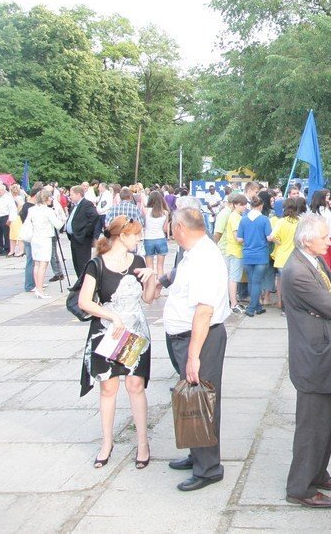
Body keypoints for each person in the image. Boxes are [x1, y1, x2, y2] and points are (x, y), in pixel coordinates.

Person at [282, 213, 331, 508]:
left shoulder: (315, 261)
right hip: (314, 359)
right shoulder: (297, 271)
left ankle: (318, 473)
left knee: (329, 420)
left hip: (326, 356)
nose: (329, 241)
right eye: (324, 237)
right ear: (306, 240)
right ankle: (299, 487)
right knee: (312, 427)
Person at [78, 216, 159, 470]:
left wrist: (151, 277)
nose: (139, 239)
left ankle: (143, 443)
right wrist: (111, 315)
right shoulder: (96, 264)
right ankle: (107, 442)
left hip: (134, 331)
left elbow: (148, 299)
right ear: (122, 236)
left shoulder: (137, 261)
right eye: (135, 235)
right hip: (108, 332)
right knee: (108, 388)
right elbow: (84, 301)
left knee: (135, 386)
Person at [162, 207, 230, 491]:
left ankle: (208, 468)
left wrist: (193, 356)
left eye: (171, 225)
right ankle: (196, 453)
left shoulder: (204, 258)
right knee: (191, 399)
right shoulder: (193, 253)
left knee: (203, 402)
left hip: (200, 338)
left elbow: (204, 310)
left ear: (179, 228)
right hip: (185, 336)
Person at [237, 193, 273, 317]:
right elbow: (269, 237)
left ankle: (258, 306)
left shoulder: (244, 219)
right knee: (257, 282)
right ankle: (252, 308)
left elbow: (239, 239)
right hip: (261, 254)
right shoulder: (264, 219)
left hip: (247, 254)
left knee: (251, 282)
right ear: (261, 206)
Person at [25, 189, 63, 299]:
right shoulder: (48, 211)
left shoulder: (32, 210)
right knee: (43, 264)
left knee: (37, 264)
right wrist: (62, 217)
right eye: (50, 197)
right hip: (45, 238)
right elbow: (58, 225)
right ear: (45, 199)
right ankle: (40, 290)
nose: (51, 199)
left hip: (35, 238)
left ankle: (38, 287)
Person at [66, 185, 99, 277]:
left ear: (78, 194)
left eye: (72, 194)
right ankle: (79, 283)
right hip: (74, 237)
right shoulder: (75, 205)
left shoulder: (86, 204)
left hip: (82, 238)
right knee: (76, 262)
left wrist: (86, 231)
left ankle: (84, 284)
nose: (70, 196)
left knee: (82, 263)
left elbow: (94, 216)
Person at [142, 191, 171, 279]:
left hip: (148, 239)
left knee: (149, 267)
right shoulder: (165, 212)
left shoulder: (146, 211)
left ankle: (151, 288)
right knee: (160, 266)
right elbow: (165, 229)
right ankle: (159, 290)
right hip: (161, 239)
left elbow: (143, 225)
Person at [0, 183, 17, 256]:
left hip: (5, 217)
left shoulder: (8, 198)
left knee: (6, 234)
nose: (0, 191)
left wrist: (10, 219)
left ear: (4, 190)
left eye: (1, 190)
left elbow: (12, 209)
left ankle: (7, 249)